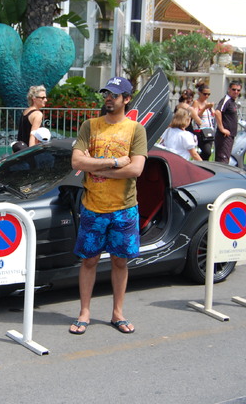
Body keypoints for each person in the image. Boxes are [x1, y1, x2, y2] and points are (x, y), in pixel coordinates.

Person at [69, 76, 147, 335]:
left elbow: (136, 169)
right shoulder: (90, 126)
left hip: (124, 208)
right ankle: (84, 313)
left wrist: (97, 167)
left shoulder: (136, 130)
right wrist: (114, 164)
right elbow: (77, 163)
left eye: (114, 95)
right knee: (88, 261)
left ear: (126, 99)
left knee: (120, 262)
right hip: (93, 206)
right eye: (106, 94)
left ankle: (118, 313)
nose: (108, 99)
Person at [214, 81, 242, 164]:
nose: (236, 92)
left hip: (230, 136)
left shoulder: (232, 101)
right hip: (224, 137)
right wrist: (222, 128)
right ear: (229, 89)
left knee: (225, 159)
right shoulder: (226, 100)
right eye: (234, 89)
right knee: (223, 160)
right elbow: (217, 112)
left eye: (238, 90)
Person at [191, 82, 216, 161]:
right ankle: (197, 162)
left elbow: (213, 115)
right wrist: (205, 108)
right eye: (205, 94)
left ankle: (202, 166)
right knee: (206, 151)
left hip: (208, 130)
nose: (206, 96)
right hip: (200, 131)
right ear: (199, 93)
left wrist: (211, 108)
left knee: (208, 153)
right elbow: (196, 115)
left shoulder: (206, 103)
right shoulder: (196, 103)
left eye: (208, 94)